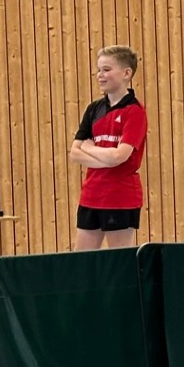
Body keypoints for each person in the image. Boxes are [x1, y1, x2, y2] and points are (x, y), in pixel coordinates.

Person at [69, 44, 149, 250]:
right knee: (82, 262)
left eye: (106, 69)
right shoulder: (94, 109)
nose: (100, 75)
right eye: (98, 70)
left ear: (126, 73)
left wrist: (90, 148)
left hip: (121, 197)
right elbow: (75, 152)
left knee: (118, 263)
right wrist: (104, 154)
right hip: (91, 195)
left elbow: (119, 157)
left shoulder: (134, 111)